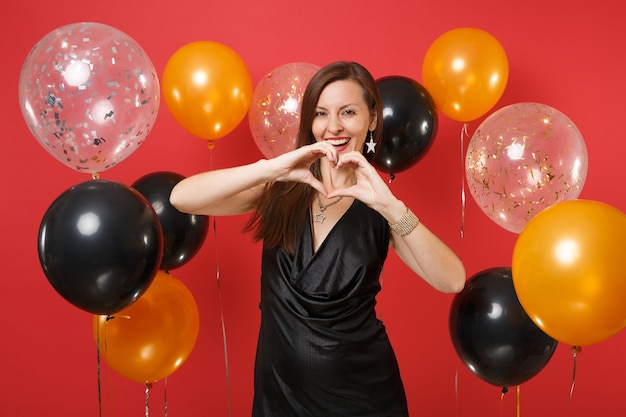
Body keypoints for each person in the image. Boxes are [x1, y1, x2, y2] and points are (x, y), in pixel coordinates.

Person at [170, 61, 466, 417]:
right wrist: (271, 168)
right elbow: (182, 198)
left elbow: (452, 280)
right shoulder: (281, 187)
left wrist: (393, 208)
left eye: (349, 112)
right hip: (279, 395)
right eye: (321, 113)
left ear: (372, 120)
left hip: (363, 399)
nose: (334, 126)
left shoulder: (383, 208)